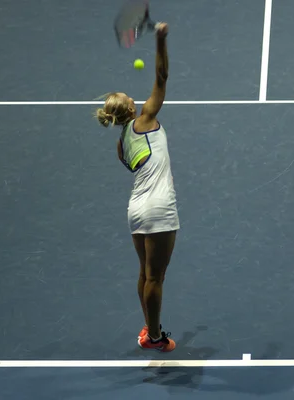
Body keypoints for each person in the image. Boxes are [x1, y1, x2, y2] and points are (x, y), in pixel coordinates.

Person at [95, 22, 177, 352]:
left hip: (136, 211)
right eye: (129, 97)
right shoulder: (145, 120)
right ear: (130, 109)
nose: (133, 95)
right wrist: (160, 41)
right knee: (156, 278)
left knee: (145, 273)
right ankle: (156, 337)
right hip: (158, 208)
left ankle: (150, 328)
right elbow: (161, 79)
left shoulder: (121, 145)